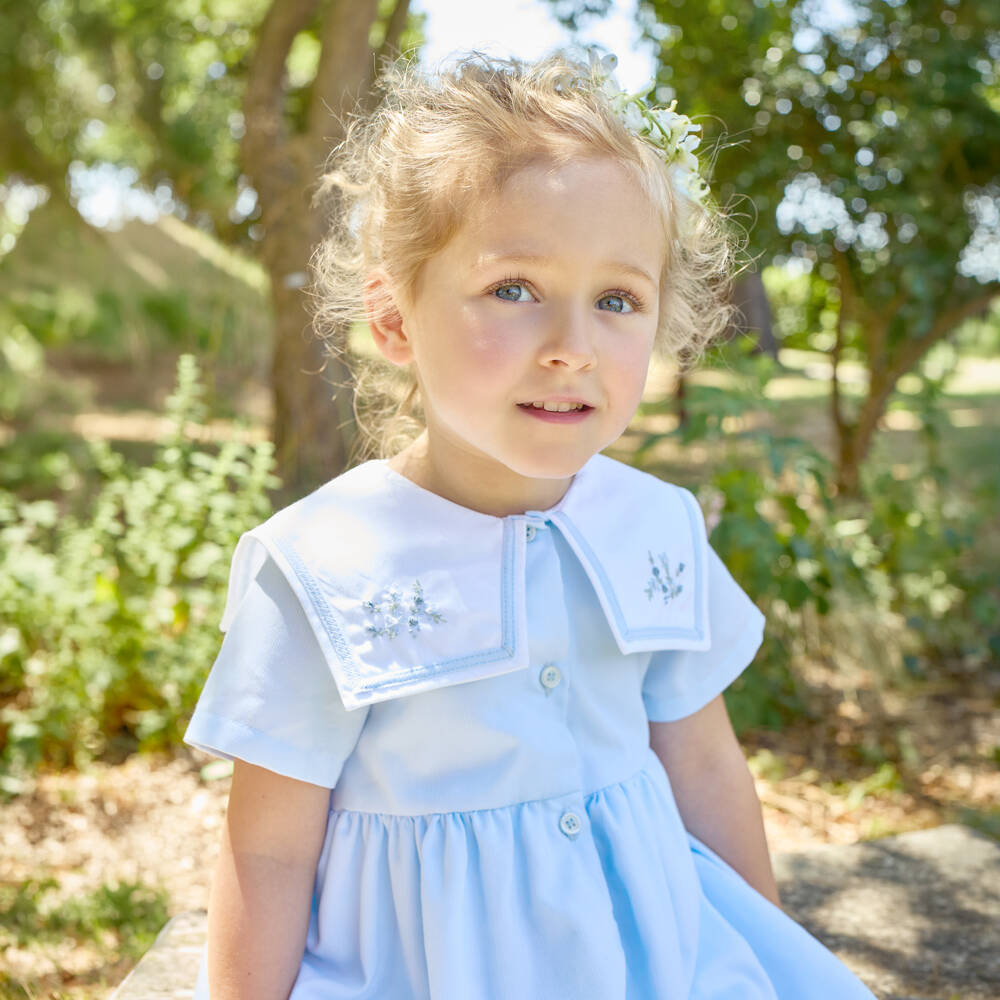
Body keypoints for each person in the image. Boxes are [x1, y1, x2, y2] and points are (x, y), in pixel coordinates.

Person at [184, 50, 877, 1000]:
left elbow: (705, 765)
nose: (570, 349)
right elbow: (265, 849)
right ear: (393, 319)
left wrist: (757, 949)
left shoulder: (655, 525)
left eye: (617, 300)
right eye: (514, 289)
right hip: (429, 971)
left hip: (650, 961)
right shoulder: (321, 566)